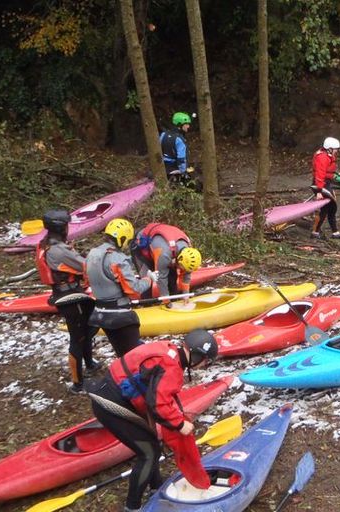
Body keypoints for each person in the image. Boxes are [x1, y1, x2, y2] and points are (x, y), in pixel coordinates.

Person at [88, 329, 218, 512]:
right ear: (198, 355)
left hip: (109, 393)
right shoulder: (172, 368)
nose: (203, 367)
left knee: (152, 444)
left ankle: (156, 486)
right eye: (205, 362)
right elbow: (158, 404)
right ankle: (132, 506)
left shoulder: (168, 349)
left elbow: (152, 392)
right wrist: (180, 424)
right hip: (111, 406)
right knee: (148, 453)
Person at [36, 209, 100, 394]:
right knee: (78, 338)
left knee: (88, 327)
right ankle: (77, 384)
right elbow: (85, 265)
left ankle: (89, 364)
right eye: (66, 225)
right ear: (60, 228)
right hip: (70, 297)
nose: (68, 229)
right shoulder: (58, 250)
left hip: (71, 292)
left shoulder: (48, 244)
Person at [86, 218, 156, 357]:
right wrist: (149, 279)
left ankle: (123, 373)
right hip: (119, 315)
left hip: (100, 313)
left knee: (121, 352)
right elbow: (134, 290)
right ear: (122, 238)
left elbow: (90, 277)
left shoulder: (93, 253)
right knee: (133, 354)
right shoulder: (117, 258)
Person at [131, 223, 202, 302]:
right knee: (147, 279)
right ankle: (146, 304)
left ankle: (174, 299)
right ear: (180, 259)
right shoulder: (164, 254)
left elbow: (187, 274)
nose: (182, 270)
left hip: (163, 247)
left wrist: (186, 295)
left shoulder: (188, 250)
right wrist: (166, 300)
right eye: (182, 267)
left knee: (172, 277)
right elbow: (161, 278)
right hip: (141, 246)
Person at [311, 136, 340, 239]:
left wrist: (332, 175)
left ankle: (335, 232)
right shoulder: (322, 157)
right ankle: (315, 232)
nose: (337, 151)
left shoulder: (328, 155)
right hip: (321, 185)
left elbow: (327, 171)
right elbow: (320, 174)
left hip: (326, 183)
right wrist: (319, 191)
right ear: (329, 148)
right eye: (335, 149)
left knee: (332, 208)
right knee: (326, 208)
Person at [160, 112, 194, 185]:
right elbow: (181, 159)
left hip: (162, 167)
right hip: (174, 169)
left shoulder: (163, 135)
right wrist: (184, 172)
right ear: (180, 125)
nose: (188, 126)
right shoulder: (179, 140)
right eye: (186, 124)